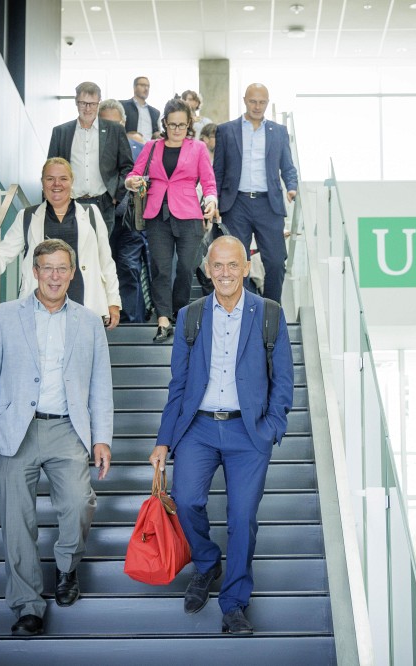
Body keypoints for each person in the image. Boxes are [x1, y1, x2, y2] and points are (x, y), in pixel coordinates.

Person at [0, 238, 114, 637]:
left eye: (63, 268)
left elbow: (100, 385)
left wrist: (102, 439)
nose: (55, 276)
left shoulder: (89, 321)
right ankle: (27, 604)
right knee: (17, 520)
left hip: (68, 427)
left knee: (80, 503)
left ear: (73, 272)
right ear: (34, 271)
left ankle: (66, 567)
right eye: (47, 268)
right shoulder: (4, 317)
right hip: (16, 429)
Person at [148, 235, 294, 635]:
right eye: (218, 266)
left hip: (250, 433)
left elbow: (283, 381)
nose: (226, 273)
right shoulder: (191, 316)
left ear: (246, 268)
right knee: (187, 500)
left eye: (233, 265)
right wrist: (164, 441)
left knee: (242, 518)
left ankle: (234, 604)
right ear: (208, 269)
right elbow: (177, 385)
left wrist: (271, 428)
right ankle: (208, 562)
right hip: (198, 428)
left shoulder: (269, 313)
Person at [0, 158, 121, 329]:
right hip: (41, 305)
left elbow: (106, 262)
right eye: (50, 179)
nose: (57, 184)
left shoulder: (91, 213)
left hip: (85, 302)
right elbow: (2, 254)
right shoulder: (27, 216)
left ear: (72, 182)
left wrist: (113, 301)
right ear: (42, 183)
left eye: (63, 178)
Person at [125, 98, 217, 342]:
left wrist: (211, 200)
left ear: (189, 124)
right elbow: (134, 174)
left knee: (186, 268)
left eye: (182, 125)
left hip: (189, 215)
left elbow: (209, 182)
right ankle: (163, 319)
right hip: (157, 214)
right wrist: (131, 182)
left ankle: (179, 312)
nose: (177, 130)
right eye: (172, 124)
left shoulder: (197, 148)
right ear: (164, 122)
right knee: (161, 269)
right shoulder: (152, 146)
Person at [212, 83, 298, 304]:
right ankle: (245, 307)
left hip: (268, 205)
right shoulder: (226, 130)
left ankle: (270, 310)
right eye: (253, 101)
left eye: (262, 102)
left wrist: (291, 186)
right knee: (235, 262)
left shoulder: (278, 132)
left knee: (276, 261)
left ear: (267, 103)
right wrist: (216, 203)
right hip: (236, 204)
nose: (257, 106)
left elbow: (288, 167)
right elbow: (218, 171)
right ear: (244, 101)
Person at [47, 82, 134, 233]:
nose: (87, 109)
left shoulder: (115, 130)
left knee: (100, 254)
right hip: (69, 203)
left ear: (98, 103)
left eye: (92, 104)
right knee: (70, 252)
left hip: (103, 204)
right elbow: (50, 169)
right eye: (83, 103)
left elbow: (127, 166)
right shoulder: (61, 132)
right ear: (76, 102)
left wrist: (116, 196)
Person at [99, 98, 148, 323]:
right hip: (99, 220)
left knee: (128, 267)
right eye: (105, 122)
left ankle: (132, 319)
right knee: (100, 269)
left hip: (129, 221)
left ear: (124, 122)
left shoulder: (140, 149)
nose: (110, 129)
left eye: (115, 124)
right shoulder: (91, 151)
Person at [121, 76, 160, 143]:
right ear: (134, 87)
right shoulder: (123, 106)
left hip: (149, 149)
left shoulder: (155, 113)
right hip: (129, 148)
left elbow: (156, 134)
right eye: (142, 85)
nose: (146, 88)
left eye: (148, 86)